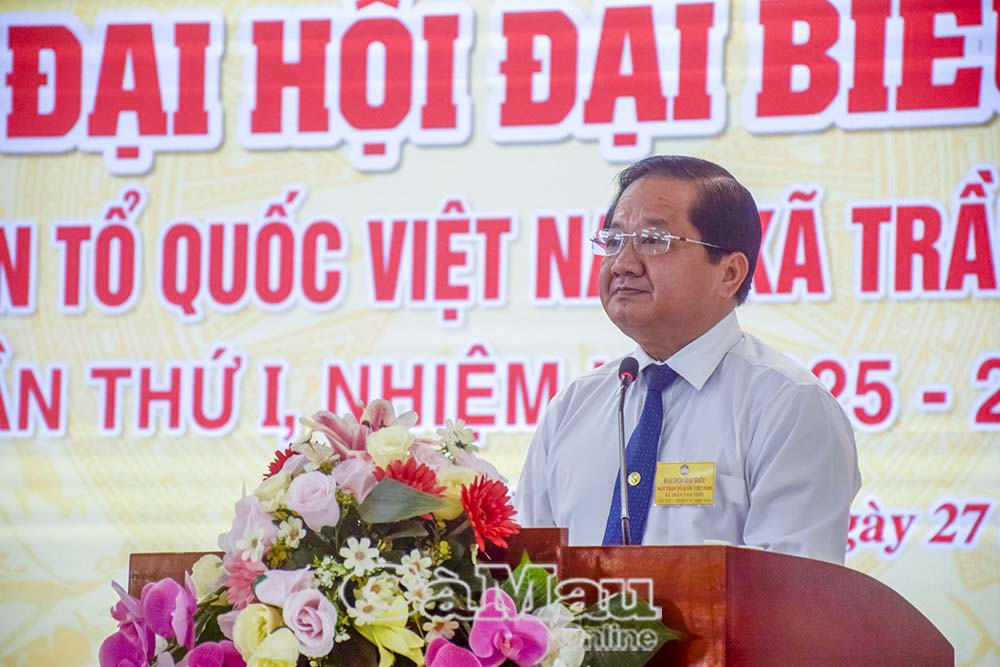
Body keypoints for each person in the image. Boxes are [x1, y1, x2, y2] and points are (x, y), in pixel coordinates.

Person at [514, 155, 861, 564]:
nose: (623, 264)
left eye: (653, 241)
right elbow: (521, 574)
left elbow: (793, 588)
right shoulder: (574, 408)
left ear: (729, 273)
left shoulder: (788, 405)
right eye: (615, 241)